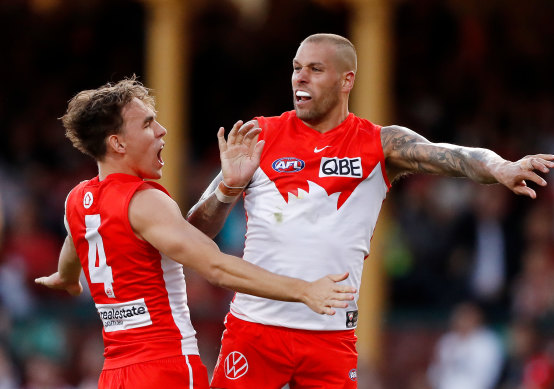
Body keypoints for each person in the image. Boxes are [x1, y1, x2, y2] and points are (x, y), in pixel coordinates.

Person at [187, 33, 554, 389]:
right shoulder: (261, 136)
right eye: (297, 67)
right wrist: (227, 187)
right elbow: (195, 231)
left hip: (330, 337)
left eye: (315, 69)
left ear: (347, 80)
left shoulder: (380, 144)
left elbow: (457, 156)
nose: (300, 76)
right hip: (256, 330)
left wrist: (500, 167)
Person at [34, 78, 356, 389]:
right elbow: (215, 268)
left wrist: (65, 277)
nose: (162, 130)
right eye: (147, 124)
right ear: (117, 143)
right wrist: (303, 290)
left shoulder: (78, 201)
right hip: (166, 369)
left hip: (115, 374)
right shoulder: (145, 201)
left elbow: (74, 244)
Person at [427, 302, 504, 389]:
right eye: (459, 317)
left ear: (477, 318)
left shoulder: (487, 342)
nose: (461, 321)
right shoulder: (447, 340)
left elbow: (486, 377)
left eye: (466, 317)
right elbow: (434, 373)